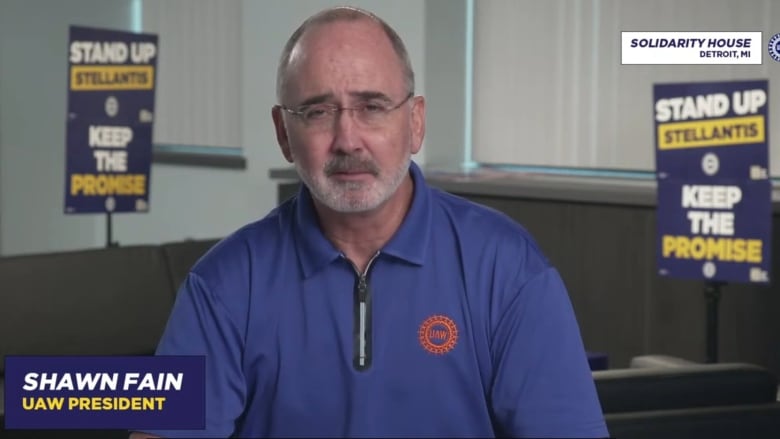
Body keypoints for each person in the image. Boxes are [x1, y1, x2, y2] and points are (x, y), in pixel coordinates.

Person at [131, 6, 608, 438]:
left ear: (415, 122)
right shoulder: (225, 285)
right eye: (317, 111)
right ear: (282, 133)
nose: (347, 139)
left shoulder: (507, 270)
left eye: (372, 107)